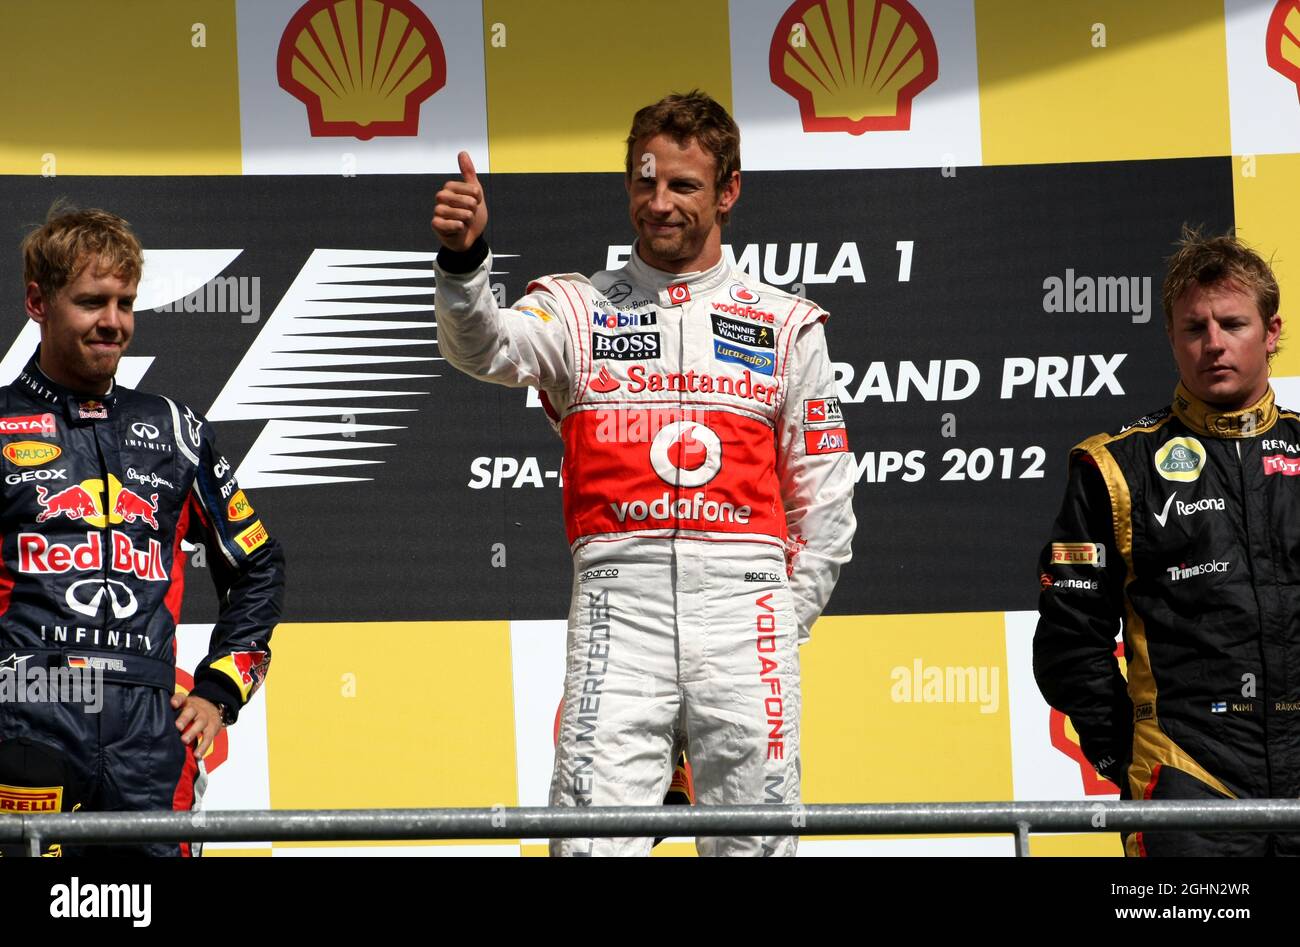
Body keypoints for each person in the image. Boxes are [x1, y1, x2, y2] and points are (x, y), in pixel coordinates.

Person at [433, 90, 856, 857]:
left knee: (757, 844)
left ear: (728, 192)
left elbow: (825, 507)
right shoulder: (579, 308)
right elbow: (483, 346)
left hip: (746, 613)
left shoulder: (785, 323)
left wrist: (773, 619)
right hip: (616, 612)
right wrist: (466, 264)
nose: (658, 203)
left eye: (683, 185)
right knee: (590, 841)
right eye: (644, 181)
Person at [0, 206, 285, 856]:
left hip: (150, 730)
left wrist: (219, 689)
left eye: (126, 302)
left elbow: (258, 564)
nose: (114, 322)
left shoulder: (177, 431)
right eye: (92, 301)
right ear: (38, 302)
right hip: (25, 709)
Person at [1034, 227, 1300, 856]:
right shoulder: (1115, 468)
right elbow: (1069, 644)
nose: (1213, 344)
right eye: (1193, 328)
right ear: (1170, 339)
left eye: (1232, 323)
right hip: (1189, 781)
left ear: (1272, 332)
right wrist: (1128, 755)